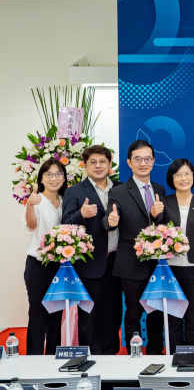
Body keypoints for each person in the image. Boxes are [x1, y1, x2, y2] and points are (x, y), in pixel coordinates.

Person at [103, 140, 168, 354]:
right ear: (129, 162)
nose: (143, 163)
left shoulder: (159, 189)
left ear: (153, 161)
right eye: (138, 159)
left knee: (156, 311)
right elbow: (109, 217)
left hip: (157, 263)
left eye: (147, 159)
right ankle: (134, 353)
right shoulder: (119, 191)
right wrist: (110, 221)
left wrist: (157, 216)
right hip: (131, 262)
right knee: (133, 312)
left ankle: (156, 351)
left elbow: (161, 222)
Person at [61, 145, 123, 355]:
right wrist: (81, 214)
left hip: (117, 262)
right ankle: (91, 356)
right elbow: (65, 224)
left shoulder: (121, 189)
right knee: (90, 315)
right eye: (93, 162)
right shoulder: (74, 191)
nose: (98, 166)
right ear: (85, 165)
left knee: (113, 313)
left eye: (102, 161)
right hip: (90, 264)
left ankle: (111, 354)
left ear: (110, 164)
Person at [161, 159, 194, 353]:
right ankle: (174, 357)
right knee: (173, 318)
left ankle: (193, 356)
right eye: (178, 175)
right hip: (170, 269)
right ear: (172, 178)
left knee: (193, 318)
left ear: (193, 176)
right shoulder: (164, 202)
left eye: (187, 174)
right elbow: (156, 230)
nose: (183, 178)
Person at [21, 158, 67, 354]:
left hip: (60, 266)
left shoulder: (65, 201)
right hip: (38, 266)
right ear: (41, 178)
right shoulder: (36, 201)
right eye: (48, 174)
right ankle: (33, 358)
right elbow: (31, 226)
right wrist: (30, 206)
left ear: (64, 178)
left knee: (56, 315)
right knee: (38, 314)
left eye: (58, 174)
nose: (53, 178)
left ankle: (52, 358)